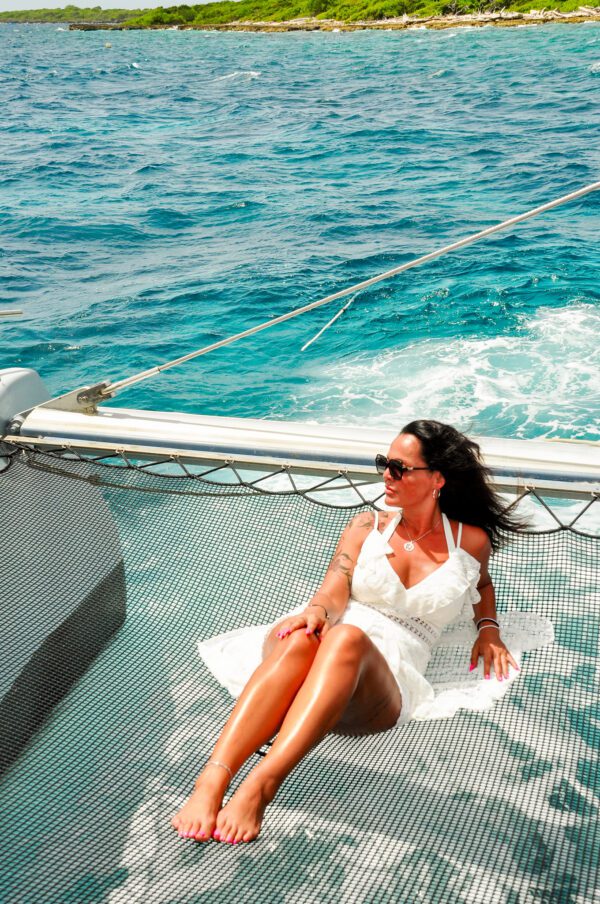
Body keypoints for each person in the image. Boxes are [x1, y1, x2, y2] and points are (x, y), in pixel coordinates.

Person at [171, 419, 521, 845]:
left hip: (381, 680)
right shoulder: (365, 526)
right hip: (323, 639)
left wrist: (488, 628)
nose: (386, 475)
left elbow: (480, 583)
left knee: (347, 638)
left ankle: (262, 783)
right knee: (305, 635)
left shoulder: (471, 541)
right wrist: (316, 611)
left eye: (399, 467)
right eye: (383, 463)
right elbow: (335, 586)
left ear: (437, 479)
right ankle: (212, 779)